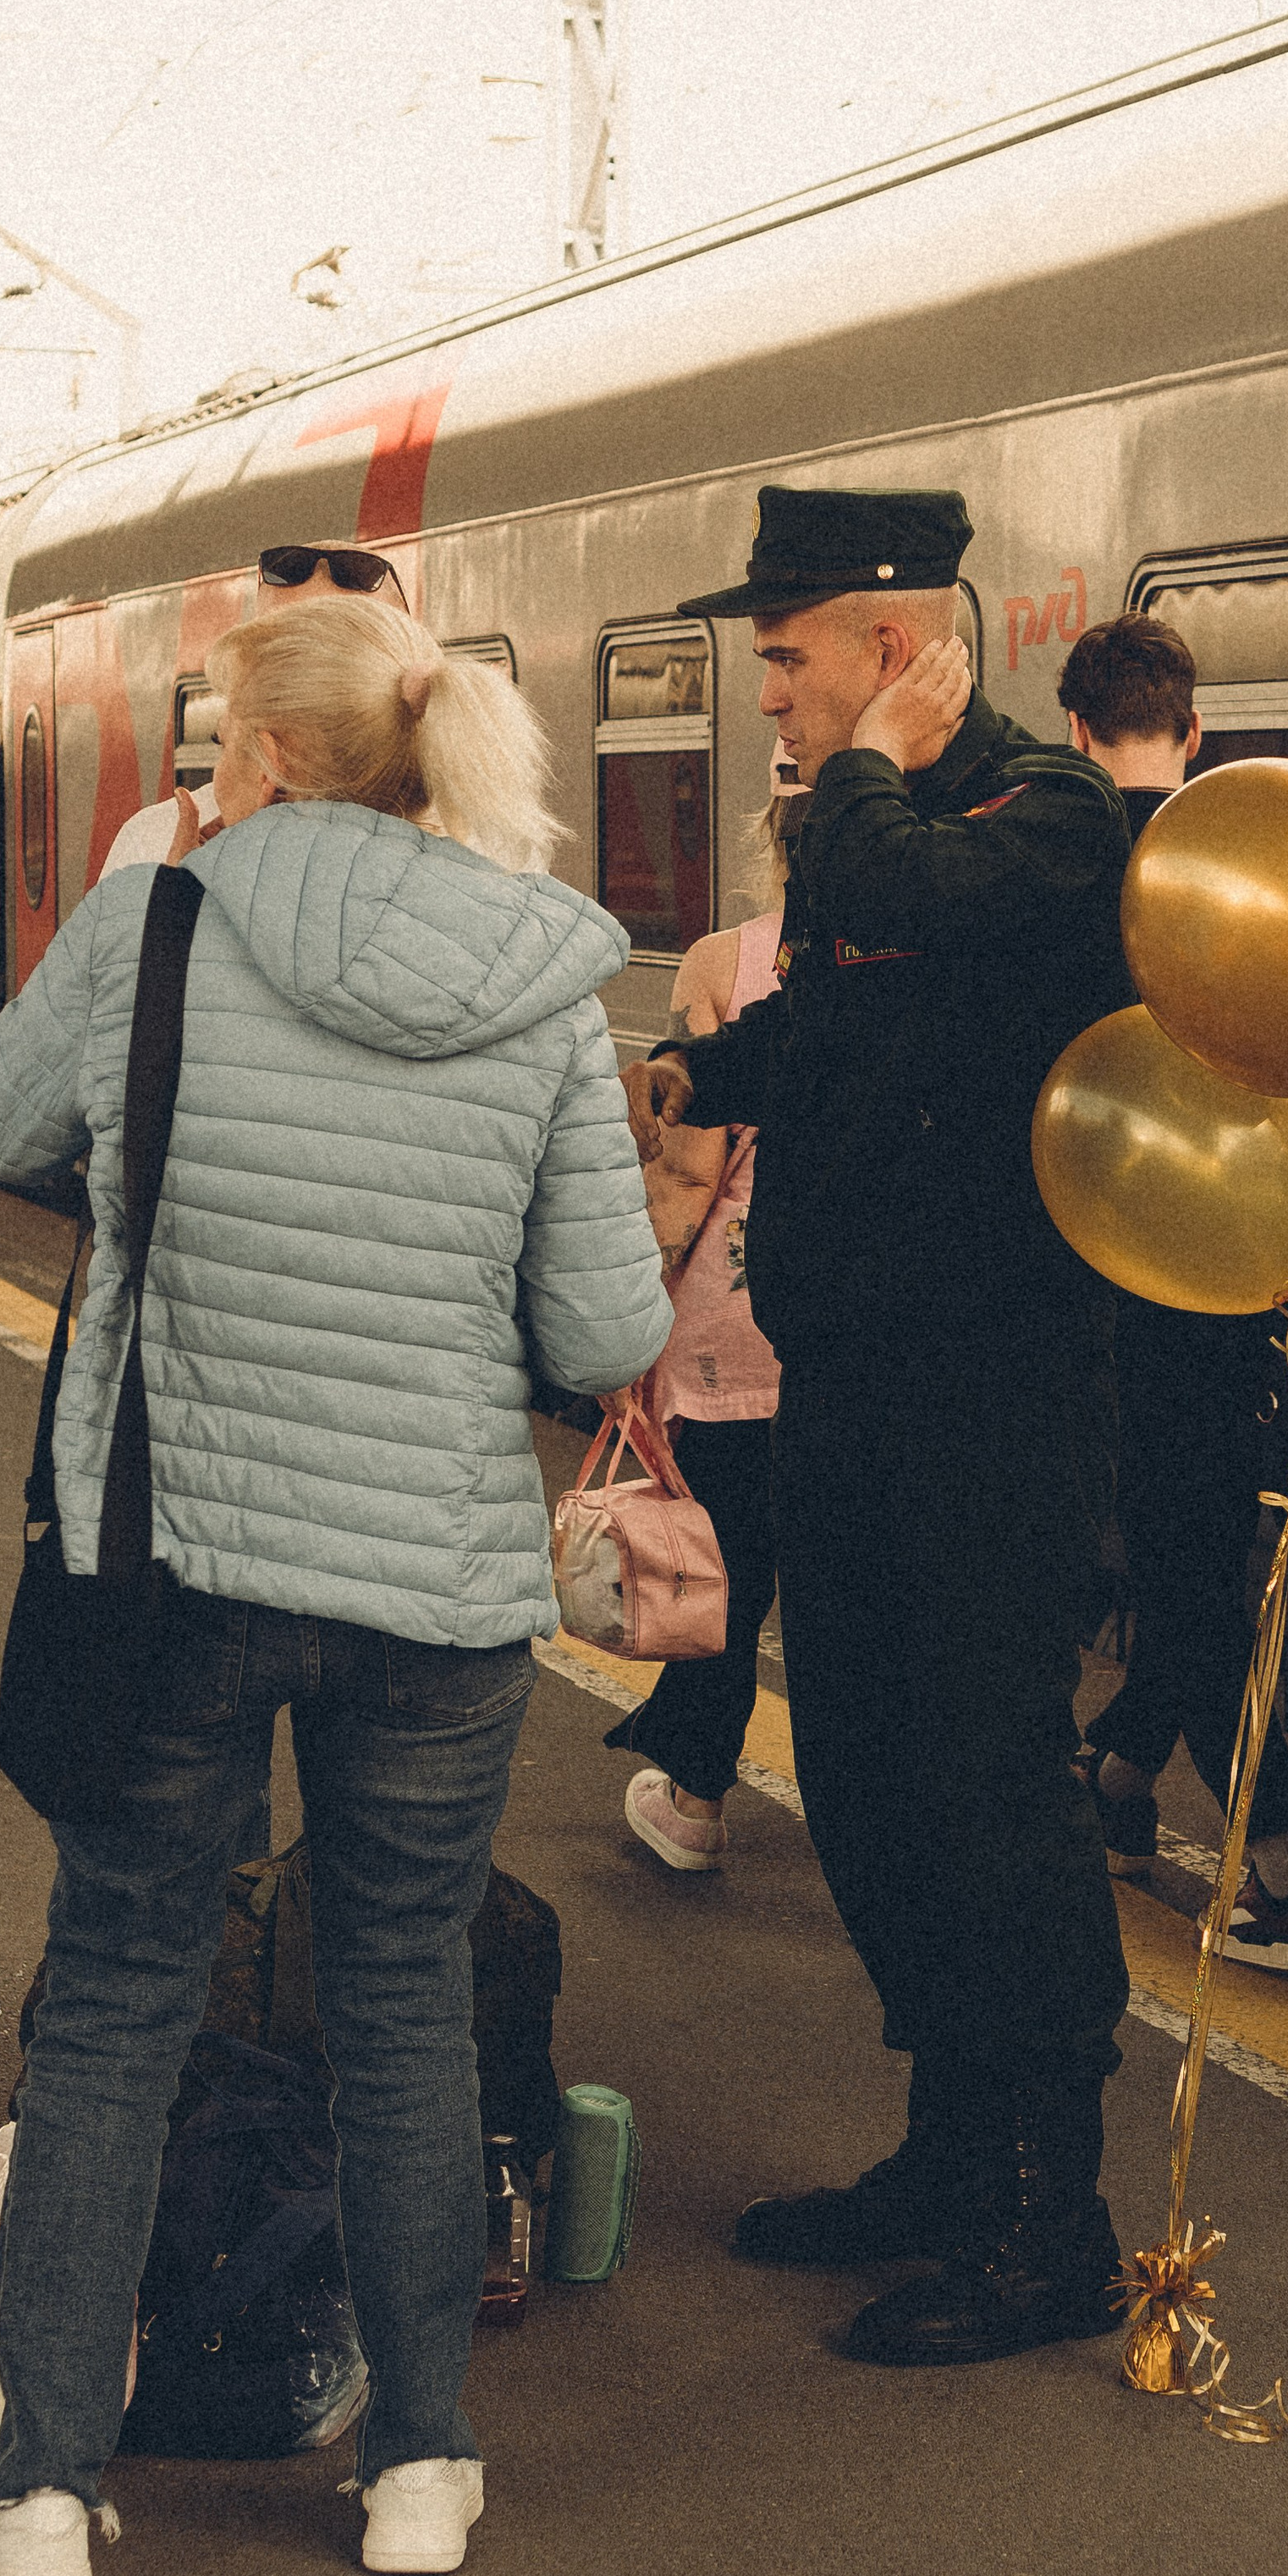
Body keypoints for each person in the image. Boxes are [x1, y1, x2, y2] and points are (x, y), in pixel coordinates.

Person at [0, 546, 669, 2576]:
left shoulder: (161, 912)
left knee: (118, 2013)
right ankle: (421, 2467)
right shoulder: (540, 966)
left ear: (252, 751)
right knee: (401, 2009)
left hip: (171, 1562)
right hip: (431, 1589)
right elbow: (603, 1319)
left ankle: (46, 2509)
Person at [622, 485, 1136, 2369]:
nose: (767, 694)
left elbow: (882, 905)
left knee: (985, 1784)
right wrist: (702, 1068)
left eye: (785, 657)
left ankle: (1042, 2214)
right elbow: (845, 1022)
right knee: (856, 1768)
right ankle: (943, 2146)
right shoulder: (887, 826)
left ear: (897, 645)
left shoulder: (1039, 815)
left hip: (993, 1394)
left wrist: (859, 779)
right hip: (849, 1376)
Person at [1058, 610, 1288, 1973]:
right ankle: (1115, 1783)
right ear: (1196, 731)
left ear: (1072, 730)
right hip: (1245, 1281)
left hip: (1105, 1278)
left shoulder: (1064, 874)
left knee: (1177, 1575)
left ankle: (1284, 1882)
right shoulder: (1240, 874)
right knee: (1193, 1561)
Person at [602, 761, 806, 1869]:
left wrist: (635, 1314)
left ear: (771, 839)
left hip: (732, 1317)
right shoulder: (911, 964)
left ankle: (693, 1801)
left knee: (723, 1559)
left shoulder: (726, 964)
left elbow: (688, 1174)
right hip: (850, 1321)